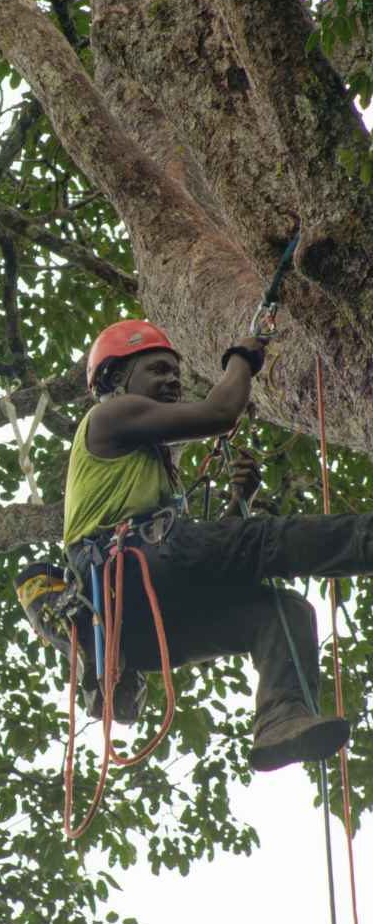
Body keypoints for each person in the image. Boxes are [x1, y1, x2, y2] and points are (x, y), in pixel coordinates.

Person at [62, 319, 362, 772]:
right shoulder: (110, 415)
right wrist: (243, 356)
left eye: (175, 375)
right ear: (116, 378)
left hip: (143, 628)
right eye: (158, 369)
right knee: (270, 540)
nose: (171, 380)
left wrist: (240, 501)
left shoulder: (145, 465)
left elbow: (199, 564)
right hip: (128, 574)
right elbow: (220, 413)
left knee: (282, 613)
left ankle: (280, 720)